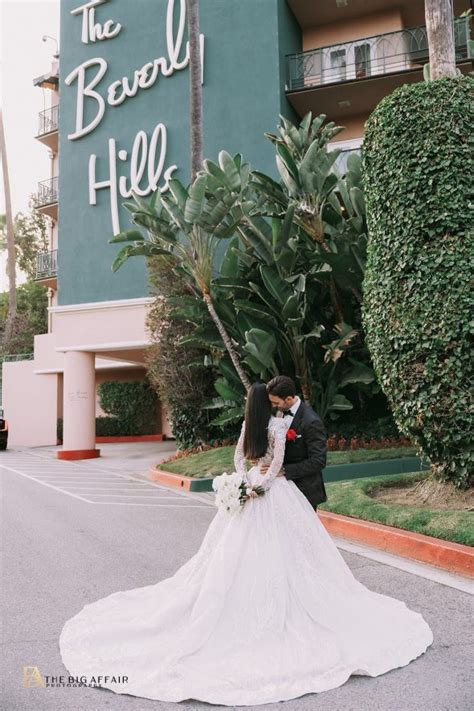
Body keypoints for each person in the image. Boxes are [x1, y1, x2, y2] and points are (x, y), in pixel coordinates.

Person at [59, 381, 433, 706]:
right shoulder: (277, 424)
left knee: (246, 557)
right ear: (266, 403)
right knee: (269, 556)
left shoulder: (255, 425)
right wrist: (254, 485)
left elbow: (244, 459)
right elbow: (268, 463)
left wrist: (246, 483)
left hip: (258, 487)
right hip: (271, 489)